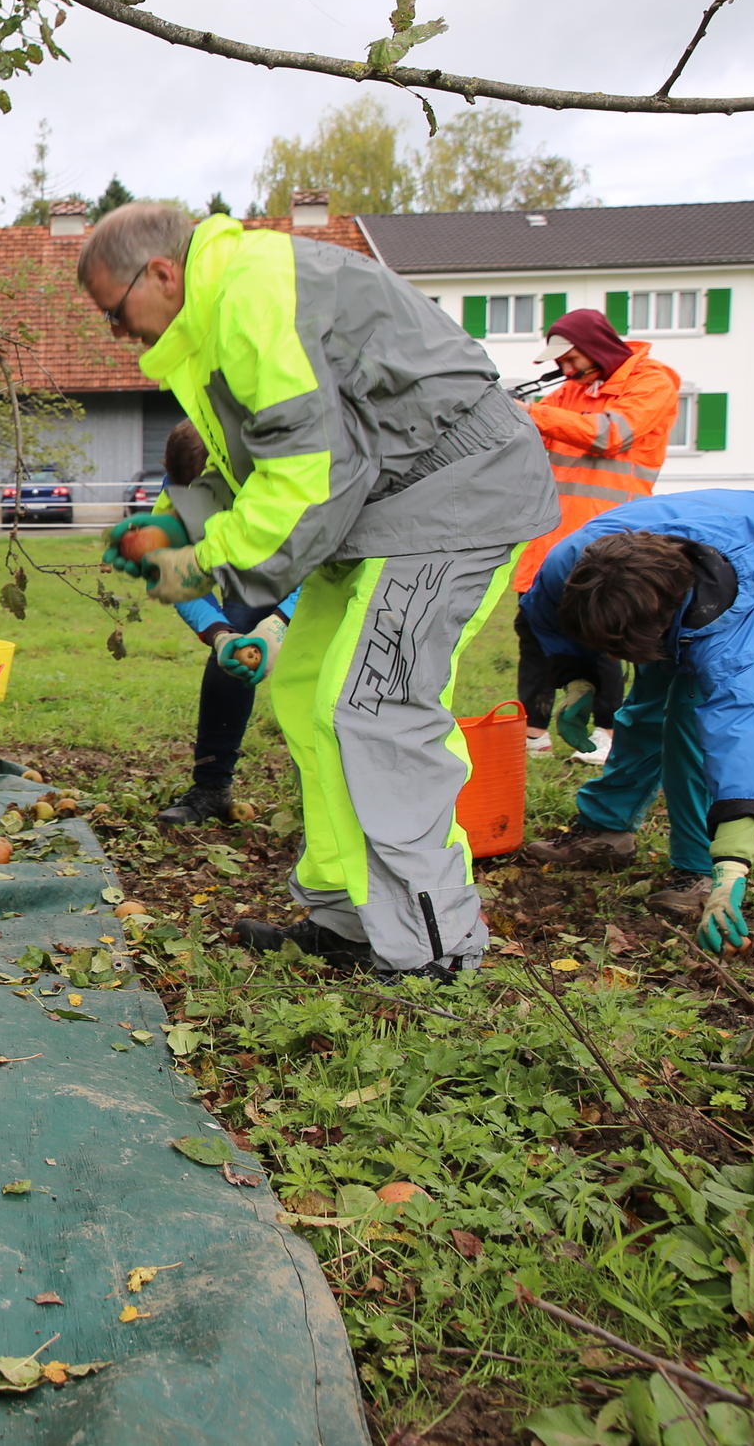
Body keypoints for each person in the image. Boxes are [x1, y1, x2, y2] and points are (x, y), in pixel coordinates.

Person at [81, 201, 555, 979]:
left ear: (159, 273)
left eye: (114, 311)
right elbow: (263, 458)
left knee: (376, 705)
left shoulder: (252, 296)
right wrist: (179, 523)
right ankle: (351, 915)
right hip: (384, 508)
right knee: (305, 688)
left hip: (454, 495)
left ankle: (435, 947)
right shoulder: (212, 312)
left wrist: (199, 566)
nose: (116, 332)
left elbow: (309, 477)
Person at [519, 491, 754, 948]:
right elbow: (547, 618)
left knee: (691, 721)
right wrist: (581, 684)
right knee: (645, 707)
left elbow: (745, 721)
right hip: (699, 561)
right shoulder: (572, 567)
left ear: (668, 618)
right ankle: (606, 829)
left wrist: (732, 863)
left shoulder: (734, 628)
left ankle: (698, 869)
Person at [511, 308, 681, 762]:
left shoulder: (653, 382)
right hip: (551, 535)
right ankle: (533, 735)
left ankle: (609, 734)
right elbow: (534, 432)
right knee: (532, 630)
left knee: (604, 633)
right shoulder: (571, 391)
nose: (562, 369)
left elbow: (610, 435)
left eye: (569, 358)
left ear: (597, 346)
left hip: (610, 538)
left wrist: (529, 415)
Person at [156, 420, 301, 827]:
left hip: (327, 564)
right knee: (230, 660)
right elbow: (175, 572)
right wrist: (221, 636)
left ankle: (332, 791)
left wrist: (281, 622)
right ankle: (211, 787)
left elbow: (331, 559)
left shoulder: (290, 477)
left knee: (330, 683)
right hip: (253, 565)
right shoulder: (177, 493)